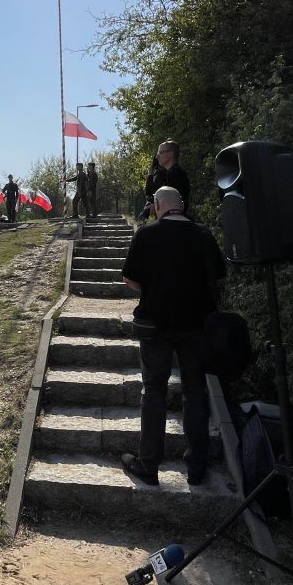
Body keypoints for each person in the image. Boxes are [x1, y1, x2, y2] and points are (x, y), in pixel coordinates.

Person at [119, 186, 226, 487]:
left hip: (156, 326)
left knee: (154, 391)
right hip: (196, 325)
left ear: (157, 206)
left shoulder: (147, 234)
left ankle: (148, 465)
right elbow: (218, 275)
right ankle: (196, 468)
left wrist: (155, 286)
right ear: (182, 205)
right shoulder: (202, 234)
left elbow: (129, 278)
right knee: (195, 392)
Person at [144, 140, 190, 217]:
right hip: (168, 218)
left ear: (171, 154)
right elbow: (149, 192)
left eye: (160, 153)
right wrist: (150, 175)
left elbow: (166, 200)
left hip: (173, 219)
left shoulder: (176, 174)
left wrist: (154, 206)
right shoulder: (164, 173)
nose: (157, 156)